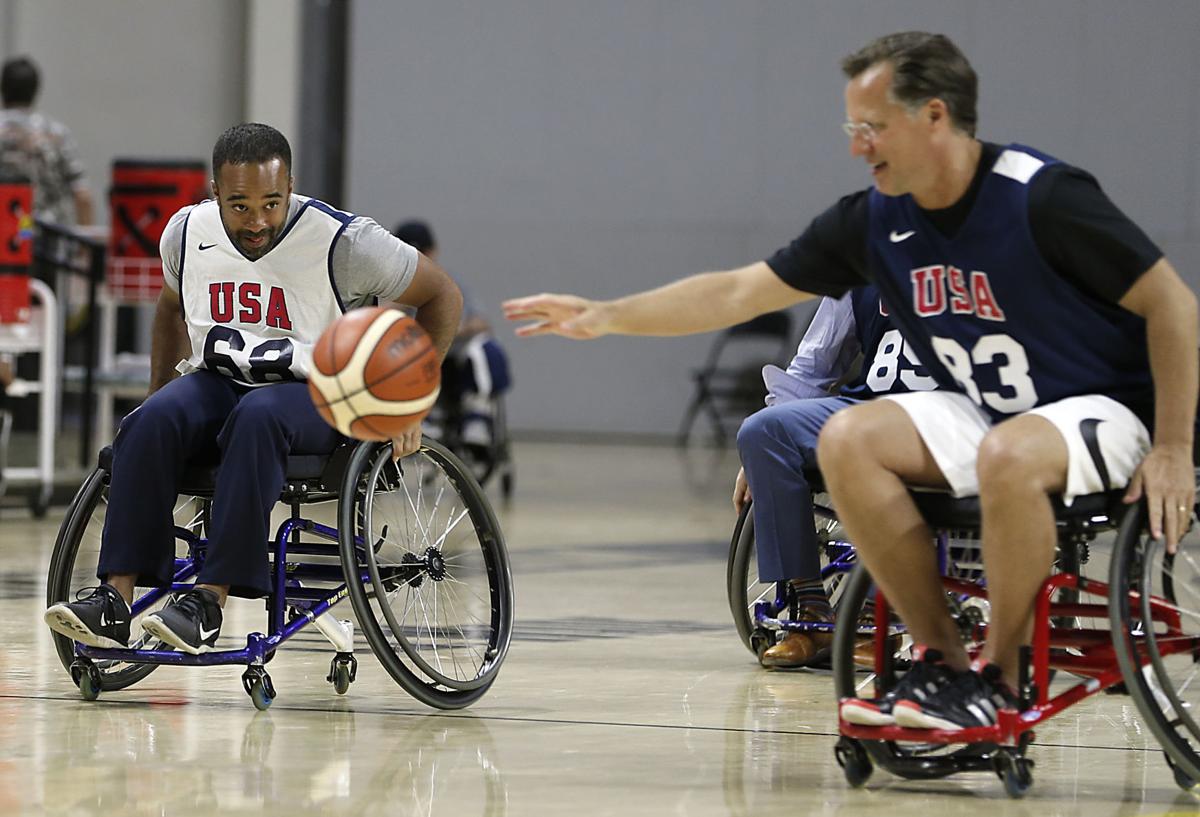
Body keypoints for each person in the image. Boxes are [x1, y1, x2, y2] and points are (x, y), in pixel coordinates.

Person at [504, 32, 1196, 730]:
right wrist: (608, 315)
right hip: (986, 411)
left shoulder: (1041, 196)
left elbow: (1174, 305)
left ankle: (1002, 679)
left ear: (934, 116)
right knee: (847, 438)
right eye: (852, 127)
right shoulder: (875, 220)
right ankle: (942, 658)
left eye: (872, 127)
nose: (857, 145)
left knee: (1007, 454)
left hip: (1102, 411)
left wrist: (1172, 447)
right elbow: (738, 292)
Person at [44, 123, 462, 655]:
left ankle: (208, 604)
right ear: (215, 192)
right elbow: (171, 307)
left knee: (260, 413)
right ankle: (114, 600)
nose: (257, 220)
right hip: (221, 382)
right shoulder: (186, 231)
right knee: (149, 421)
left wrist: (407, 402)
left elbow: (441, 295)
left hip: (322, 397)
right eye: (240, 206)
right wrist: (159, 392)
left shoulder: (346, 242)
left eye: (271, 202)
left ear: (290, 187)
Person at [736, 286, 935, 668]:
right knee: (763, 432)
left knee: (887, 448)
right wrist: (758, 458)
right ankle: (810, 610)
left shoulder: (991, 255)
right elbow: (813, 366)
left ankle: (877, 614)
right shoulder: (861, 261)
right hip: (870, 405)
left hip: (948, 412)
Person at [395, 219, 510, 449]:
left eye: (421, 251)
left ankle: (477, 417)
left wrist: (451, 327)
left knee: (486, 348)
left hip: (455, 353)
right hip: (415, 354)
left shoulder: (448, 282)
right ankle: (422, 415)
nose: (418, 257)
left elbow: (480, 321)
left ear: (432, 251)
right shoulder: (392, 282)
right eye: (410, 250)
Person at [0, 56, 93, 226]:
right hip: (51, 242)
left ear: (3, 88)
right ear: (35, 90)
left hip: (5, 239)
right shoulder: (57, 134)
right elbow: (83, 196)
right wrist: (86, 246)